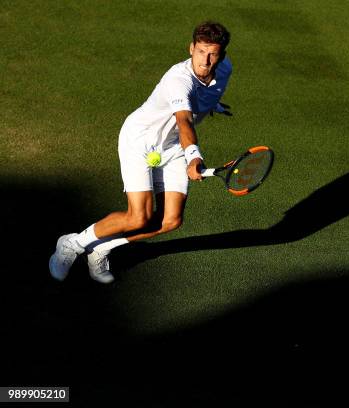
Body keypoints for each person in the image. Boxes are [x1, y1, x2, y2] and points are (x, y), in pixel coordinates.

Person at [49, 21, 232, 283]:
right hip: (141, 140)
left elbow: (205, 94)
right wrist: (194, 156)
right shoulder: (178, 79)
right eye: (201, 51)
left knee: (170, 221)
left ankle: (101, 249)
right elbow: (184, 122)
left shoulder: (225, 69)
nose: (206, 59)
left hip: (171, 148)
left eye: (213, 53)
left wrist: (213, 104)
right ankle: (72, 244)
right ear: (191, 48)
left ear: (222, 56)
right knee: (139, 216)